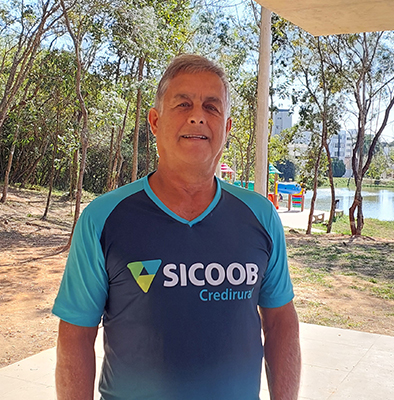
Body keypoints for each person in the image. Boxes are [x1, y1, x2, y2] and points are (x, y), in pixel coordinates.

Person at [52, 54, 301, 400]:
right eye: (183, 104)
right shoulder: (103, 218)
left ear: (227, 128)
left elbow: (280, 322)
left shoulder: (260, 216)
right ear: (155, 121)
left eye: (211, 107)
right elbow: (75, 335)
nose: (197, 116)